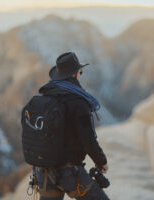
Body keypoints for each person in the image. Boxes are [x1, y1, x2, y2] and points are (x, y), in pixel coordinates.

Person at [33, 52, 110, 200]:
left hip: (43, 172)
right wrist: (101, 161)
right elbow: (87, 139)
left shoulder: (45, 98)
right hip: (69, 173)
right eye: (80, 72)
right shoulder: (78, 102)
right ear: (75, 74)